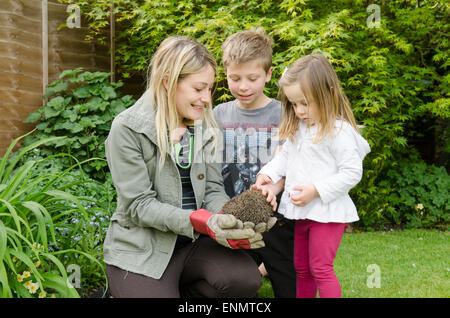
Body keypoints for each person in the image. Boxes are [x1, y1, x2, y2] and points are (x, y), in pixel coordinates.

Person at [102, 35, 274, 298]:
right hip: (142, 250)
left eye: (210, 89)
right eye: (198, 89)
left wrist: (230, 220)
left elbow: (214, 189)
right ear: (169, 81)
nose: (206, 99)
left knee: (245, 279)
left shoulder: (204, 124)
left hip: (192, 245)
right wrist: (199, 220)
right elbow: (138, 206)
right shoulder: (127, 128)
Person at [255, 54, 371, 298]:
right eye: (294, 104)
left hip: (327, 214)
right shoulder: (300, 129)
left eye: (305, 103)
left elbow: (352, 172)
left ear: (326, 94)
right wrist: (267, 174)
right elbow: (285, 158)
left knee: (320, 268)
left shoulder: (338, 132)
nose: (299, 110)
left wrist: (316, 190)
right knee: (302, 269)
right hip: (303, 211)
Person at [213, 28, 297, 298]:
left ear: (269, 74)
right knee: (236, 275)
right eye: (234, 78)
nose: (243, 86)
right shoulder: (219, 113)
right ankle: (256, 271)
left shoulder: (282, 113)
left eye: (252, 78)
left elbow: (290, 162)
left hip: (275, 212)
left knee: (282, 265)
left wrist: (274, 188)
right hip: (232, 211)